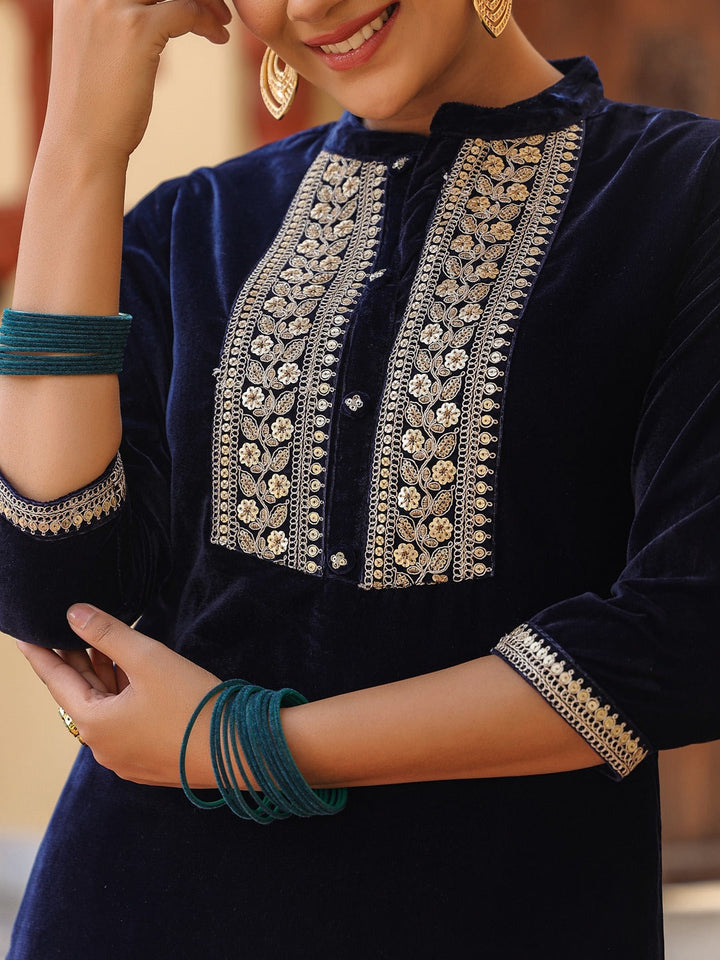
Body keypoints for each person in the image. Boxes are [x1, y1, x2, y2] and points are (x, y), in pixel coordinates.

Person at [1, 0, 719, 956]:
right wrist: (81, 148)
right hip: (131, 912)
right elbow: (54, 589)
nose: (308, 5)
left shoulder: (683, 193)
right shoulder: (192, 227)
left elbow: (687, 632)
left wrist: (241, 741)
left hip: (503, 913)